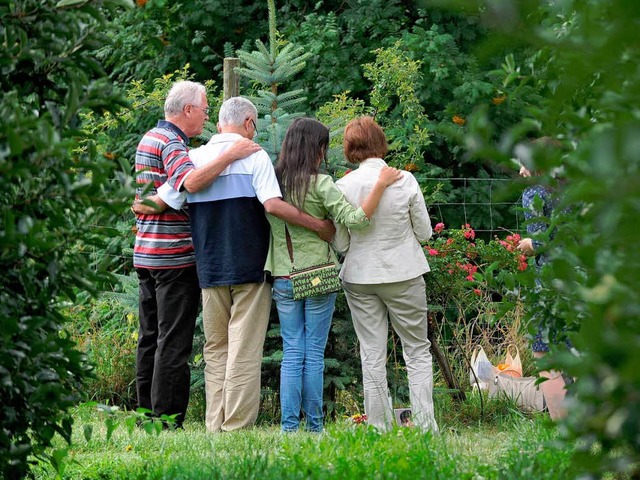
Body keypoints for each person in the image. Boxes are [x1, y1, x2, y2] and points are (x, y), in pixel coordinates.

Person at [157, 97, 334, 433]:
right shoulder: (254, 156)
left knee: (216, 348)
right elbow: (272, 204)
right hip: (250, 266)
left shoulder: (194, 158)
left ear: (220, 122)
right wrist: (319, 226)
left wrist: (139, 205)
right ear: (249, 122)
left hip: (208, 268)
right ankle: (236, 425)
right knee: (243, 348)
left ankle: (214, 423)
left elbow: (165, 198)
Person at [133, 80, 261, 427]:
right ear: (187, 110)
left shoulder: (149, 138)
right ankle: (166, 419)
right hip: (174, 255)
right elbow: (190, 182)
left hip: (146, 253)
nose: (206, 117)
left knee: (150, 338)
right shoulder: (173, 143)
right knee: (173, 341)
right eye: (204, 110)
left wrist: (148, 204)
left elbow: (143, 200)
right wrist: (230, 155)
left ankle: (145, 414)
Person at [264, 118, 402, 433]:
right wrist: (379, 185)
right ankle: (314, 427)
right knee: (313, 351)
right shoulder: (321, 184)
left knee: (292, 350)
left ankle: (288, 428)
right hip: (319, 276)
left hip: (284, 275)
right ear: (318, 149)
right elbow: (355, 220)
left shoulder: (272, 182)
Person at [333, 116, 438, 433]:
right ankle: (424, 427)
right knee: (417, 350)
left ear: (350, 149)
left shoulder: (343, 185)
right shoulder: (405, 180)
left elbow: (340, 242)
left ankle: (378, 427)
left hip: (360, 276)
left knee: (372, 354)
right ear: (381, 142)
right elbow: (424, 233)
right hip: (404, 272)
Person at [516, 145, 569, 420]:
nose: (520, 171)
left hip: (550, 278)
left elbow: (541, 240)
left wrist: (528, 244)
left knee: (544, 350)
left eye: (524, 164)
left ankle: (563, 423)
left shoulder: (534, 192)